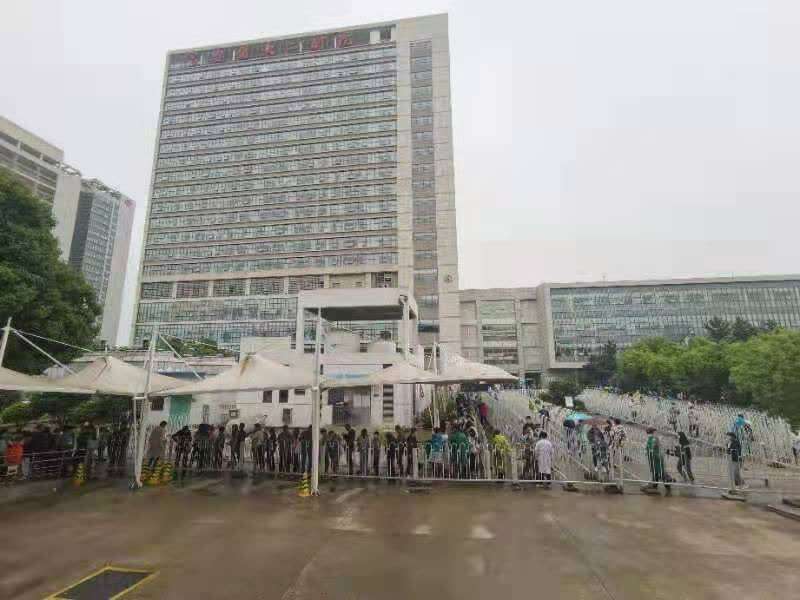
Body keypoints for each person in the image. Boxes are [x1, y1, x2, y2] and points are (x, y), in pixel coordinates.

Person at [643, 427, 670, 491]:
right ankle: (657, 485)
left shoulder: (653, 439)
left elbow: (652, 447)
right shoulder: (652, 438)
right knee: (656, 472)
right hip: (654, 458)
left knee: (659, 471)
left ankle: (666, 485)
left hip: (655, 458)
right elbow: (651, 447)